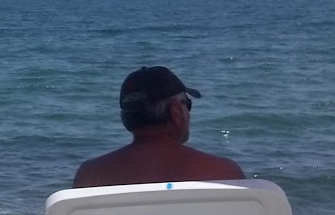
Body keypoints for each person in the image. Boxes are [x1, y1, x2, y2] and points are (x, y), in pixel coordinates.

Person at [74, 65, 245, 188]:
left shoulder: (90, 176)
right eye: (188, 104)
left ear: (125, 117)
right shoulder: (224, 173)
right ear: (176, 112)